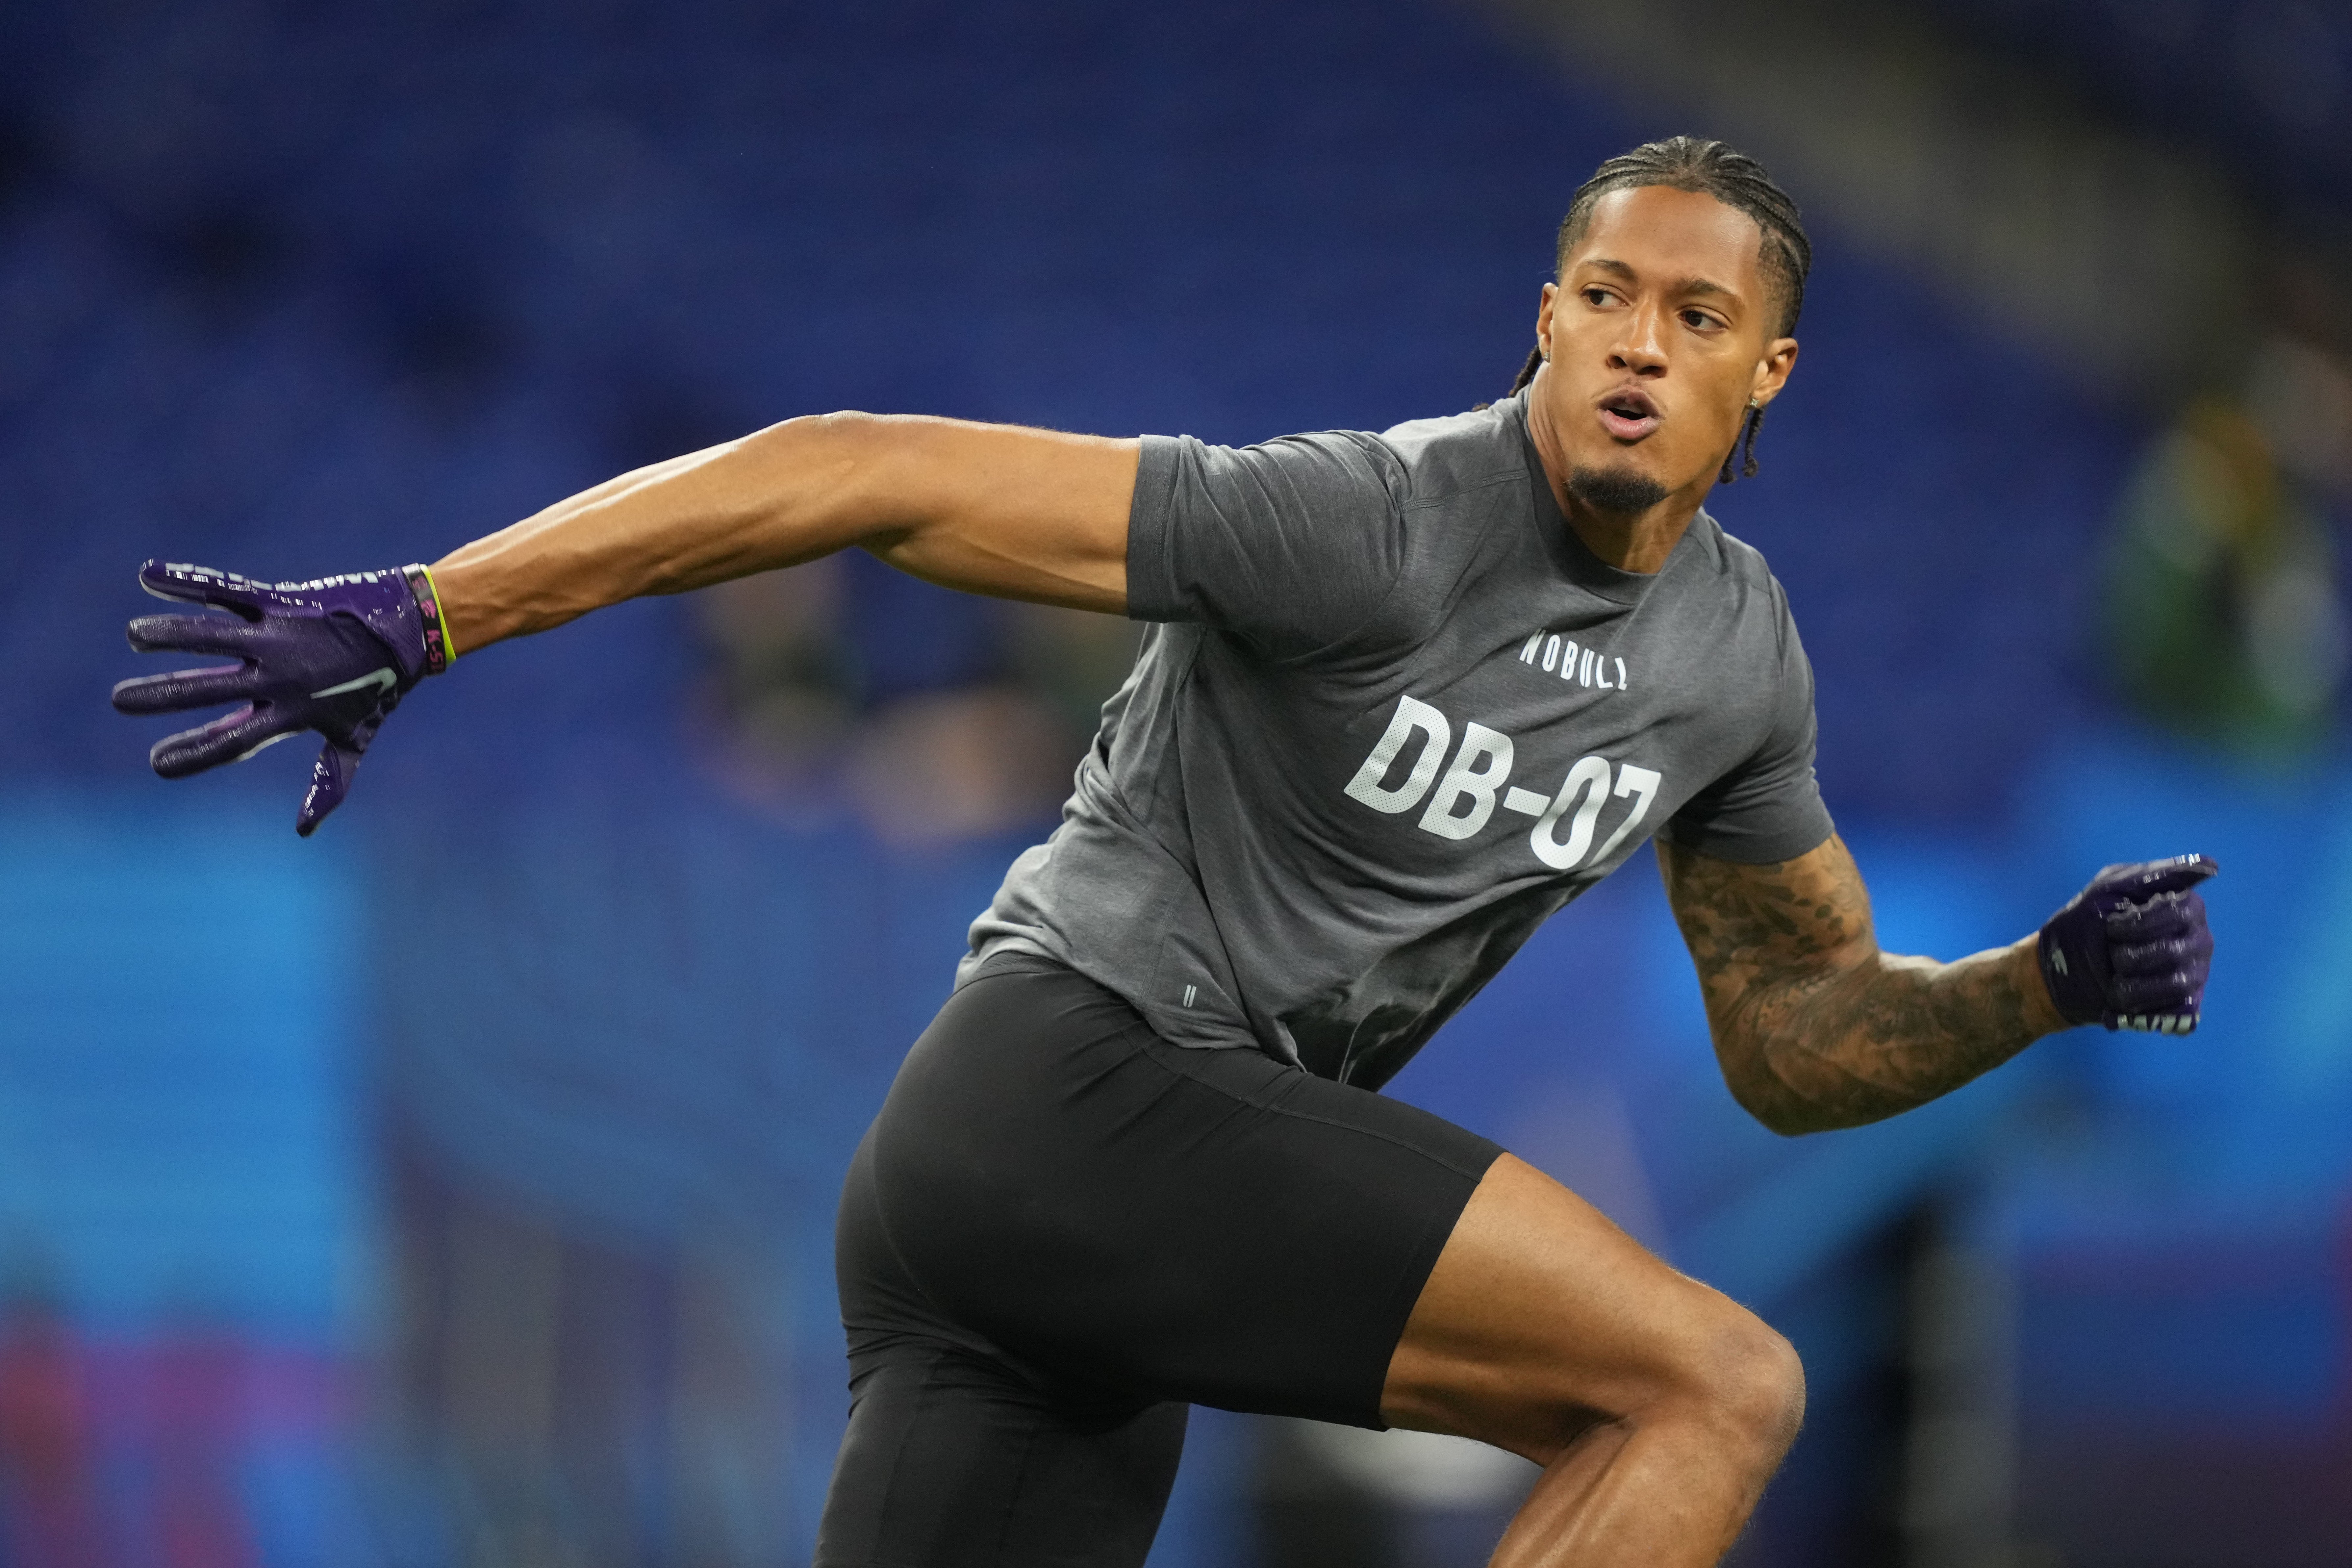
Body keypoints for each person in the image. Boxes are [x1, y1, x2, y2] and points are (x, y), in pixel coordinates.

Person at [112, 138, 2214, 1567]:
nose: (1639, 341)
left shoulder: (1737, 662)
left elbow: (1791, 1036)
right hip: (1076, 1093)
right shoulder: (1367, 522)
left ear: (1769, 372)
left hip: (1081, 1259)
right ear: (1547, 320)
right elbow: (862, 469)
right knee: (1715, 1385)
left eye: (1692, 311)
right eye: (1603, 294)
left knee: (1691, 1388)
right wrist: (434, 610)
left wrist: (2032, 989)